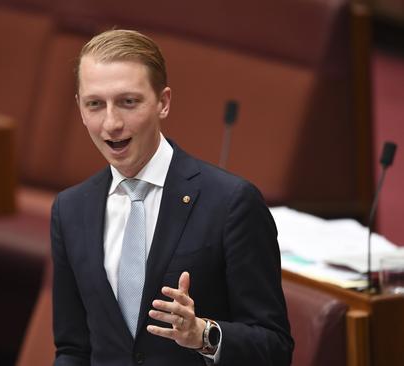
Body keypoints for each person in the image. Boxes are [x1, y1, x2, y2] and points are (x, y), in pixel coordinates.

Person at [51, 29, 293, 365]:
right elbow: (73, 348)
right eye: (95, 104)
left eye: (128, 102)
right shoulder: (70, 210)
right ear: (80, 108)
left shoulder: (231, 203)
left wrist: (203, 335)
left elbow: (275, 347)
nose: (111, 123)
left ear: (163, 103)